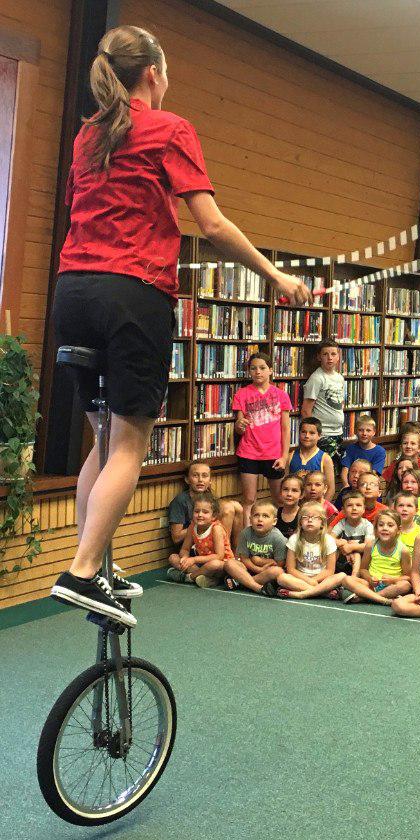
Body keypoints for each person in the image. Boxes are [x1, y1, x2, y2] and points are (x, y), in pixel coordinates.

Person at [50, 25, 310, 623]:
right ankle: (84, 571)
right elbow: (212, 225)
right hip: (131, 294)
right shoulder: (169, 128)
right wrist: (276, 277)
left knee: (103, 438)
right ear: (154, 74)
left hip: (73, 291)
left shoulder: (87, 136)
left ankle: (96, 564)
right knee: (132, 442)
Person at [233, 352, 292, 530]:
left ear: (270, 371)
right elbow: (238, 426)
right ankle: (246, 539)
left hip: (273, 454)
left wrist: (284, 456)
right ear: (249, 372)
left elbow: (285, 428)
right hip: (248, 452)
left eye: (262, 368)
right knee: (249, 499)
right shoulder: (242, 394)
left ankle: (282, 535)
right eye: (253, 368)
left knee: (279, 498)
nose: (258, 372)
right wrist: (239, 425)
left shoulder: (281, 395)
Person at [167, 460, 242, 549]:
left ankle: (235, 553)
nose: (200, 480)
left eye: (204, 476)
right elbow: (176, 538)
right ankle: (224, 551)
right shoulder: (180, 501)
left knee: (236, 507)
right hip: (192, 546)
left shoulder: (209, 497)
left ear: (210, 480)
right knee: (227, 508)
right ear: (187, 479)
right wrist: (201, 524)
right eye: (195, 475)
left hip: (209, 541)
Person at [344, 509, 413, 605]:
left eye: (390, 525)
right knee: (347, 579)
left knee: (405, 585)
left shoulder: (403, 550)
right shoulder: (370, 546)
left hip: (391, 586)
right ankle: (380, 599)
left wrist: (392, 580)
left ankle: (368, 597)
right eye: (381, 525)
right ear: (376, 529)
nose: (385, 528)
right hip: (371, 585)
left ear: (399, 530)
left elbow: (408, 577)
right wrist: (369, 579)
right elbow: (363, 569)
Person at [166, 491, 235, 588]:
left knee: (213, 564)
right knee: (173, 558)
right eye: (197, 511)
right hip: (202, 564)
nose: (200, 515)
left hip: (221, 565)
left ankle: (188, 577)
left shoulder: (216, 529)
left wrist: (194, 559)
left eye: (205, 512)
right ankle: (208, 579)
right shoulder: (192, 526)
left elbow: (219, 556)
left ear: (213, 516)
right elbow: (185, 549)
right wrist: (185, 558)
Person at [275, 501, 342, 599]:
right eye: (305, 517)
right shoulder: (294, 539)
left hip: (322, 580)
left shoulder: (329, 540)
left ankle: (302, 594)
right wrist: (308, 580)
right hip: (300, 579)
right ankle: (322, 592)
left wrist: (314, 579)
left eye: (315, 517)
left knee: (342, 576)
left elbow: (329, 571)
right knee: (282, 578)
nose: (310, 520)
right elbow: (291, 569)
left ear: (322, 523)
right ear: (300, 522)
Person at [223, 500, 285, 595]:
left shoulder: (278, 538)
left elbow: (279, 564)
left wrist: (260, 562)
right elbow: (244, 559)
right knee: (229, 563)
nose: (260, 519)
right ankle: (258, 588)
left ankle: (240, 582)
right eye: (256, 515)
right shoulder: (245, 533)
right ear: (250, 519)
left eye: (265, 516)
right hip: (248, 569)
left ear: (274, 521)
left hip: (267, 573)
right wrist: (258, 569)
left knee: (277, 571)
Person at [301, 341, 346, 458]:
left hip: (338, 432)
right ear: (319, 357)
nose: (330, 358)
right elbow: (306, 411)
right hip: (324, 434)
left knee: (336, 471)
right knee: (325, 470)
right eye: (325, 354)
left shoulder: (339, 378)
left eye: (333, 354)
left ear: (338, 356)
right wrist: (315, 434)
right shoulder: (317, 378)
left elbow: (340, 403)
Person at [288, 417, 336, 496]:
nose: (307, 436)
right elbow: (285, 484)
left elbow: (330, 489)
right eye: (303, 432)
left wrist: (321, 508)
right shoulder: (290, 457)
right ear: (299, 433)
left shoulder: (325, 459)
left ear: (319, 435)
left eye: (312, 433)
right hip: (296, 506)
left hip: (316, 506)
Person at [340, 414, 387, 488]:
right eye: (361, 430)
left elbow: (373, 474)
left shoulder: (380, 451)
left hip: (368, 487)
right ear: (355, 431)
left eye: (368, 430)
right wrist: (346, 485)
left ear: (374, 432)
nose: (364, 433)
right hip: (352, 488)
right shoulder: (350, 448)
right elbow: (345, 470)